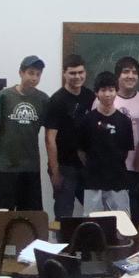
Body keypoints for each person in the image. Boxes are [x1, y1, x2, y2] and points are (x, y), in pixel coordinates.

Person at [98, 56, 139, 225]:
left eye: (134, 72)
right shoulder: (105, 97)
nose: (130, 76)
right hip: (111, 169)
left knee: (135, 218)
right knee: (111, 219)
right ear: (118, 76)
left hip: (138, 169)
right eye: (126, 71)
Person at [0, 55, 48, 211]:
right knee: (4, 215)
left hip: (30, 166)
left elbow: (50, 131)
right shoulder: (5, 96)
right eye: (31, 73)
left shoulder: (43, 99)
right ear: (21, 73)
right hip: (7, 167)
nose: (34, 78)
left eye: (38, 74)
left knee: (31, 216)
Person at [45, 54, 94, 218]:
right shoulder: (56, 100)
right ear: (64, 74)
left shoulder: (91, 97)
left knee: (94, 212)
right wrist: (55, 172)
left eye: (80, 72)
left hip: (86, 166)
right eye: (72, 73)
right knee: (64, 214)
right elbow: (50, 139)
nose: (77, 76)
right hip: (64, 167)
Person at [78, 71, 133, 213]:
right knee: (93, 222)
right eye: (103, 90)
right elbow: (81, 151)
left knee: (120, 222)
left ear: (116, 91)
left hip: (118, 180)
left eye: (111, 90)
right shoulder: (87, 120)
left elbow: (125, 151)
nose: (107, 94)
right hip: (93, 180)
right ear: (96, 93)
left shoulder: (125, 121)